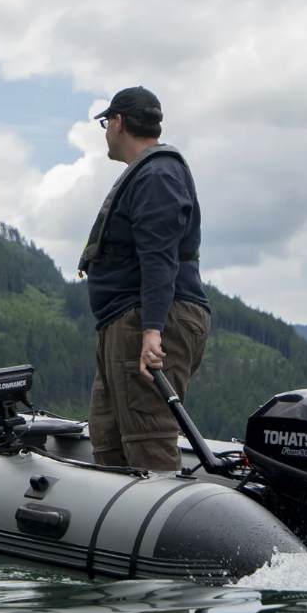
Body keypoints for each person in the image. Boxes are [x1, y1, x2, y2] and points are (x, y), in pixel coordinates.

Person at [79, 86, 211, 472]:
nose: (105, 131)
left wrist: (151, 332)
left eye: (106, 123)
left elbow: (159, 258)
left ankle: (165, 528)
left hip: (147, 321)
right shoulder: (152, 172)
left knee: (146, 442)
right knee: (109, 440)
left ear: (118, 123)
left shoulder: (157, 175)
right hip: (126, 321)